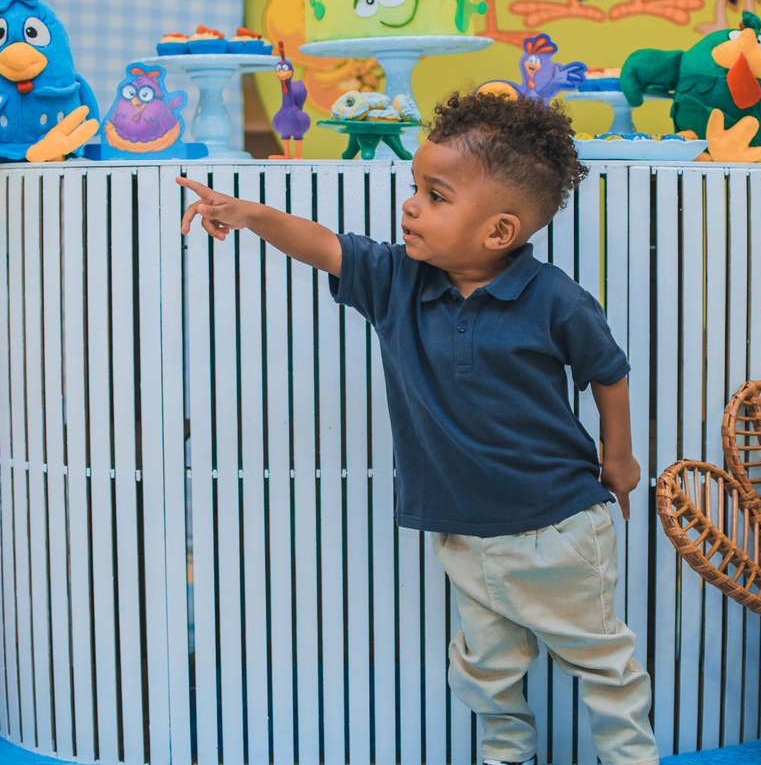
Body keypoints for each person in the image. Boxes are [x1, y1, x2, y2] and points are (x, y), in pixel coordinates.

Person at [177, 91, 658, 765]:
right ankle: (506, 757)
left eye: (435, 196)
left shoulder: (556, 299)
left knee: (603, 664)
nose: (411, 207)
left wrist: (621, 457)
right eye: (416, 189)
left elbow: (608, 372)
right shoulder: (397, 280)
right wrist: (251, 214)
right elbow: (322, 245)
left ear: (499, 231)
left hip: (559, 530)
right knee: (486, 672)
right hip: (465, 534)